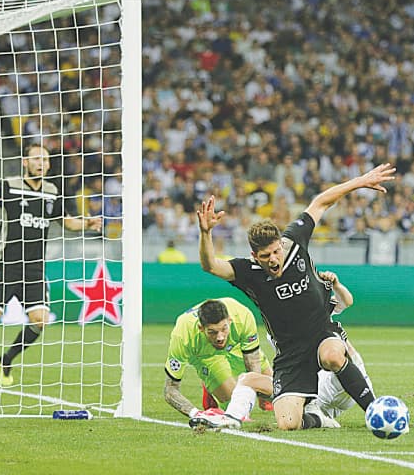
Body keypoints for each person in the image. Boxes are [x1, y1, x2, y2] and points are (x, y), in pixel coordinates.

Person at [196, 164, 395, 430]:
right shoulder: (247, 272)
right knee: (287, 424)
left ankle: (375, 412)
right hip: (290, 353)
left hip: (321, 332)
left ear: (280, 244)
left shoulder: (294, 241)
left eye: (276, 251)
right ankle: (319, 418)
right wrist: (206, 233)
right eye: (266, 256)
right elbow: (210, 265)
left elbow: (321, 202)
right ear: (255, 256)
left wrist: (359, 181)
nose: (274, 259)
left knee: (334, 355)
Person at [0, 144, 102, 387]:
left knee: (40, 320)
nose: (41, 163)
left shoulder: (52, 192)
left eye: (44, 159)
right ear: (25, 162)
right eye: (36, 158)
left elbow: (66, 222)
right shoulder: (9, 186)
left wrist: (86, 224)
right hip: (6, 265)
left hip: (35, 270)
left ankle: (6, 359)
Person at [189, 271, 374, 429]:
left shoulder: (310, 307)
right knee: (250, 382)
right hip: (315, 391)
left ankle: (372, 409)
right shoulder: (276, 327)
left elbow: (346, 301)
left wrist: (336, 284)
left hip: (344, 379)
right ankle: (232, 419)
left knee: (332, 356)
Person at [164, 297, 273, 427]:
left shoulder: (242, 316)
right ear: (201, 328)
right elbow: (170, 390)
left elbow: (253, 362)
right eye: (212, 332)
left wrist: (258, 392)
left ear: (230, 321)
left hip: (235, 345)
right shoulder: (183, 335)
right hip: (205, 355)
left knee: (276, 390)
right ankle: (210, 382)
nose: (220, 337)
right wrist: (196, 414)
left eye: (224, 329)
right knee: (235, 409)